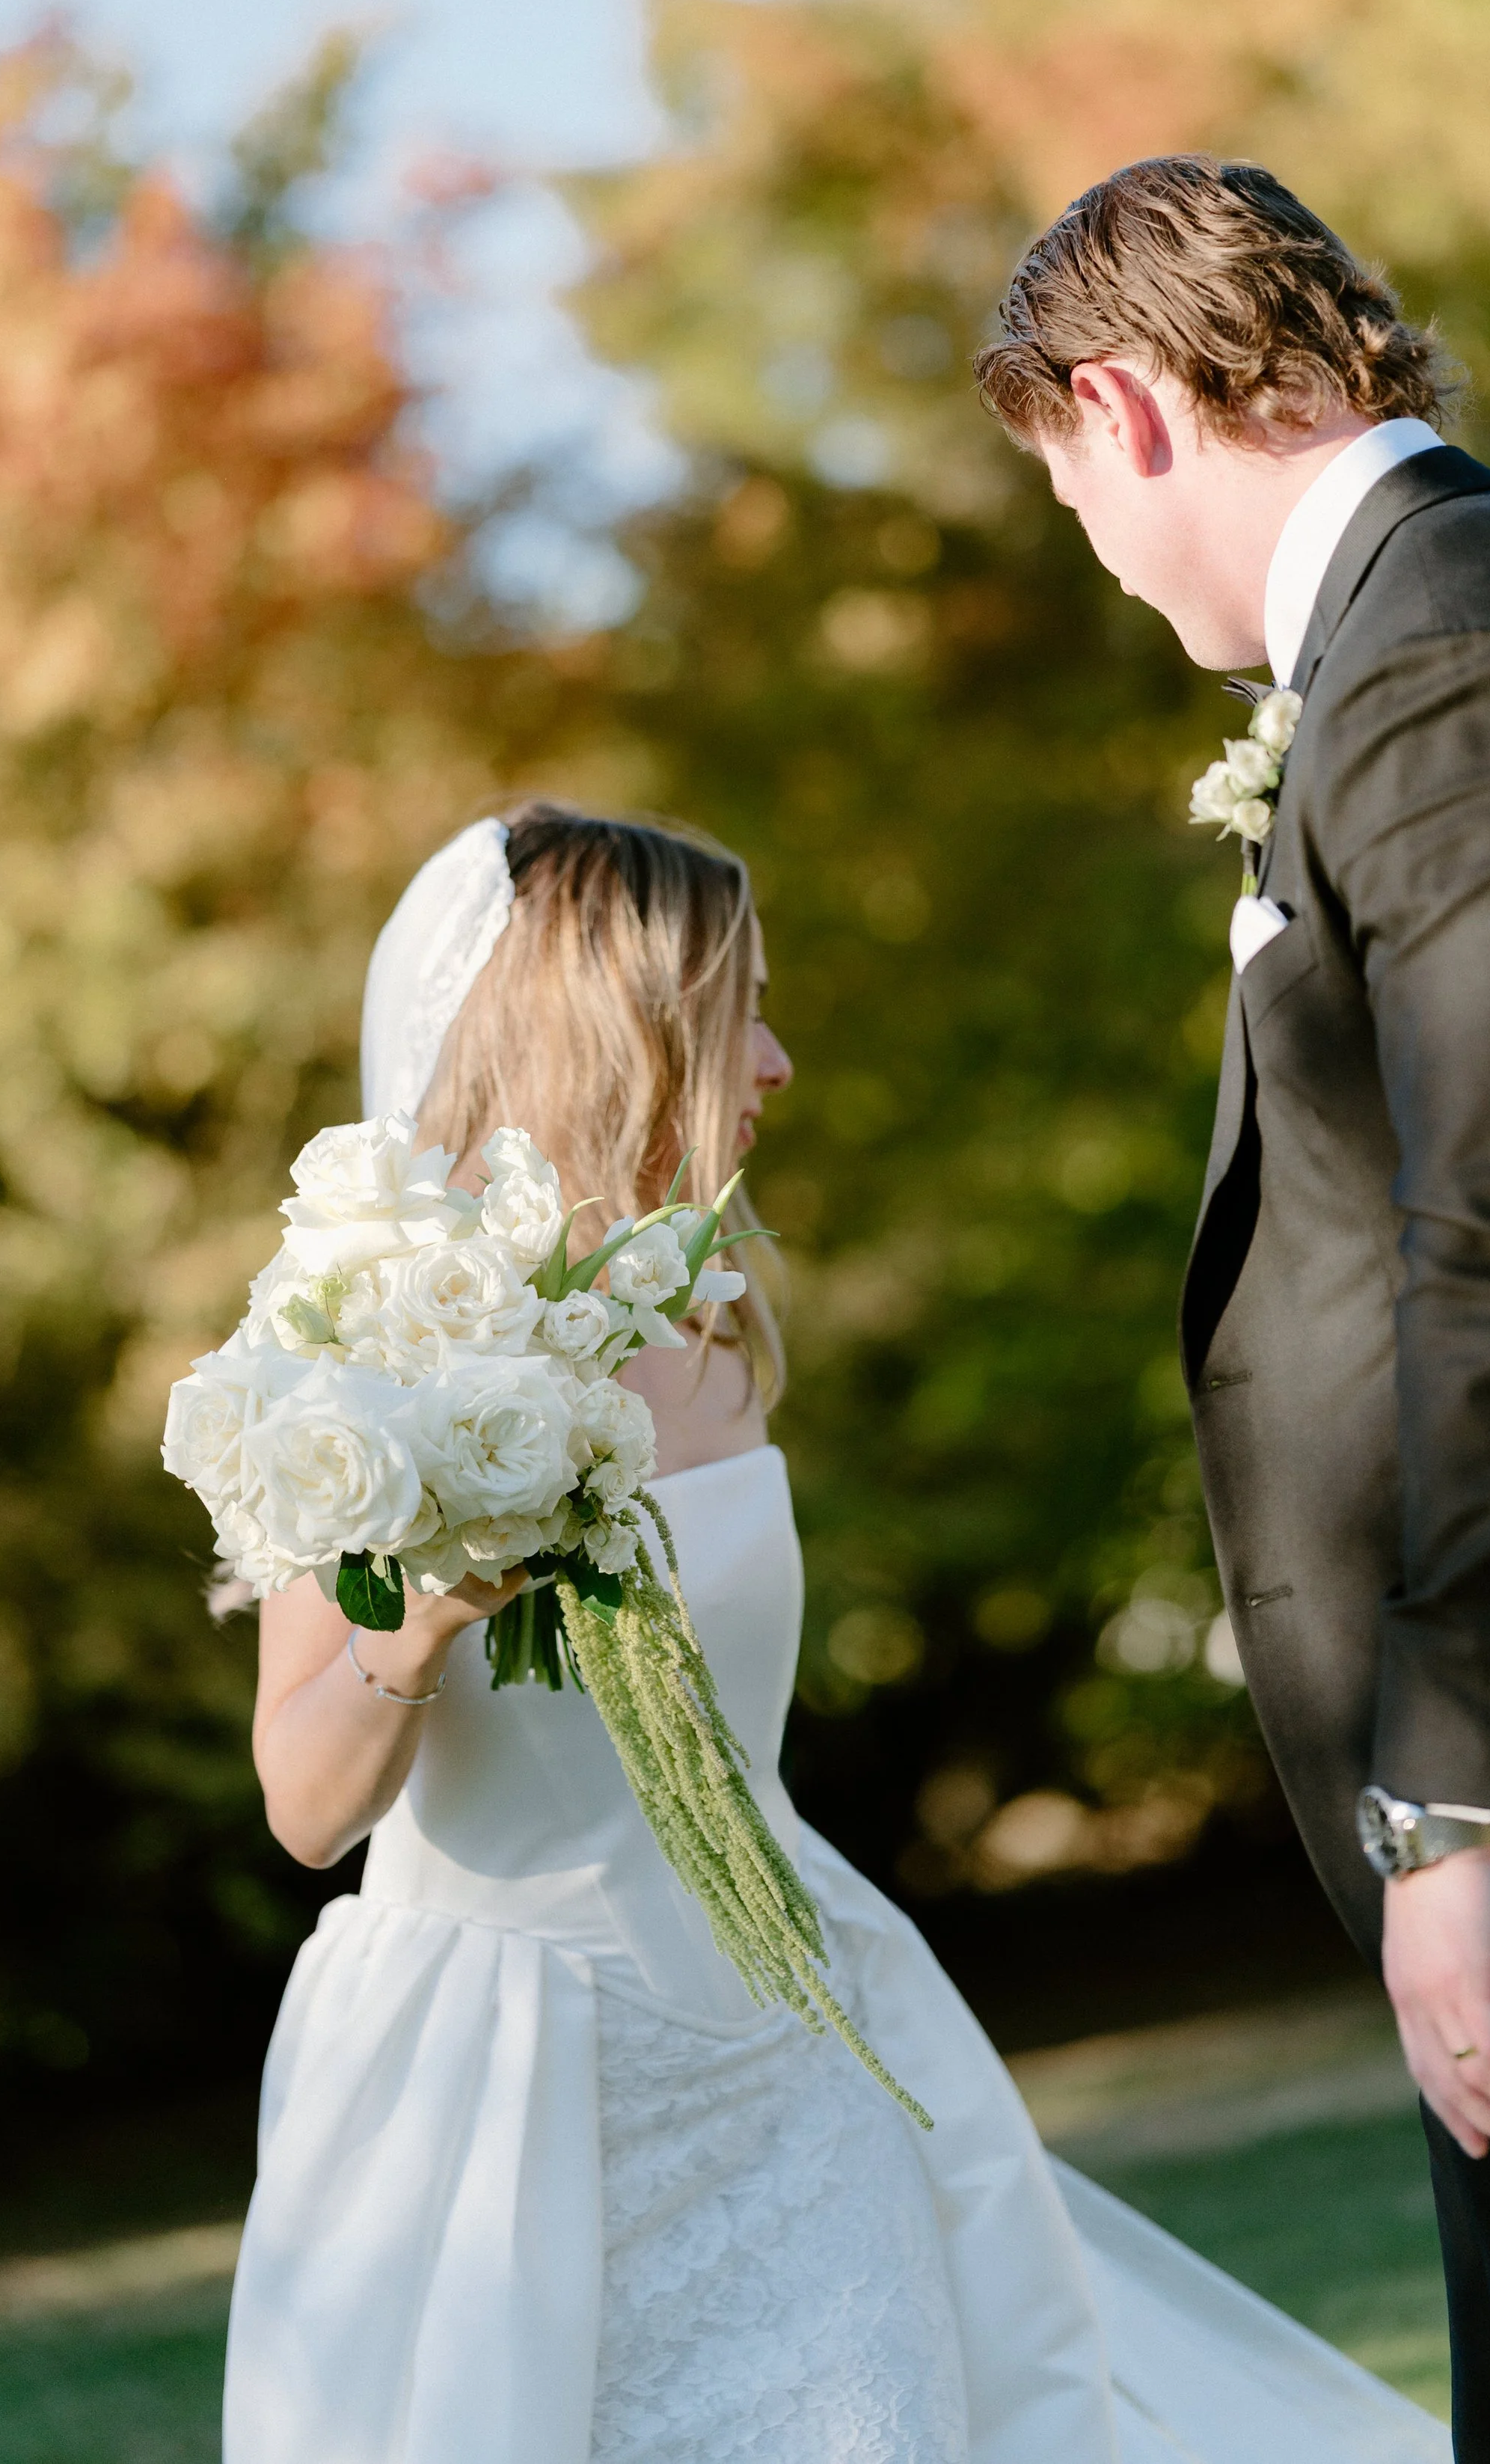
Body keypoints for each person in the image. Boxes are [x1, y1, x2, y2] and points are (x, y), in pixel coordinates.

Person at [975, 155, 1490, 2463]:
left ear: (1123, 407)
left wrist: (1449, 1801)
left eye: (1067, 491)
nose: (1102, 556)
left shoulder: (1454, 660)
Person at [221, 800, 1123, 2464]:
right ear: (610, 1031)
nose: (772, 1063)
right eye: (735, 1016)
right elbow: (305, 1805)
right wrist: (412, 1630)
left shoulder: (713, 1323)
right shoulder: (364, 1337)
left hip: (789, 2048)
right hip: (499, 2097)